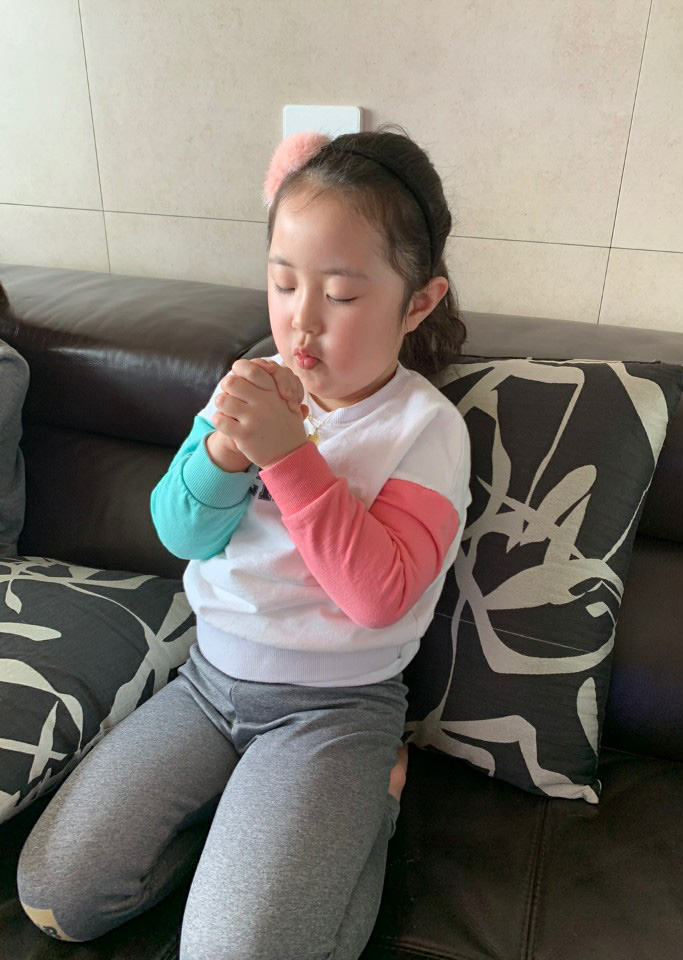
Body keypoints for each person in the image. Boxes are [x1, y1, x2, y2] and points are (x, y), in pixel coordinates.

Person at [17, 123, 472, 959]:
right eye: (281, 282)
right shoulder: (249, 387)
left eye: (341, 297)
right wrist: (224, 452)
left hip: (336, 711)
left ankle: (372, 801)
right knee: (57, 900)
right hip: (205, 685)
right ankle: (245, 840)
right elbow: (180, 533)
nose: (301, 322)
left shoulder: (423, 430)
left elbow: (377, 598)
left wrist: (290, 459)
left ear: (417, 302)